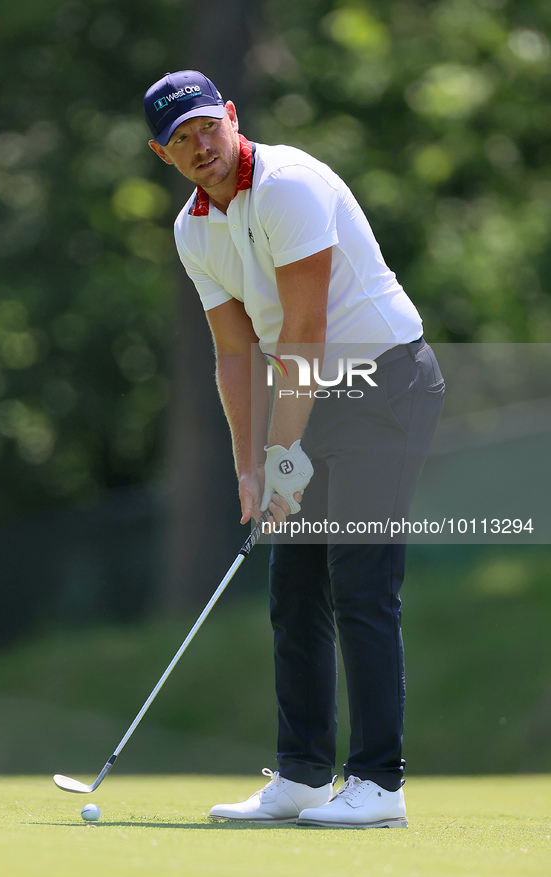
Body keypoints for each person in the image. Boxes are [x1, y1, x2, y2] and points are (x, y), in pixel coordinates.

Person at [143, 70, 444, 828]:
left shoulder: (289, 186)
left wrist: (284, 457)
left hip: (385, 382)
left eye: (206, 126)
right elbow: (236, 356)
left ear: (231, 118)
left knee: (359, 579)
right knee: (294, 587)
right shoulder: (192, 229)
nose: (199, 144)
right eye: (180, 138)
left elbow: (304, 337)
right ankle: (306, 775)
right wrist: (251, 467)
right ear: (162, 154)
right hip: (315, 391)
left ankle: (378, 784)